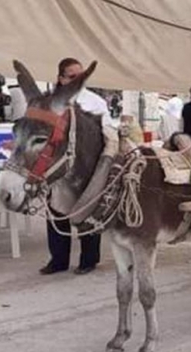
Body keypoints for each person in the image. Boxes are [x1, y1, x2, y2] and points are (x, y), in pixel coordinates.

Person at [39, 57, 117, 275]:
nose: (79, 80)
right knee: (55, 212)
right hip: (56, 167)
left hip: (86, 167)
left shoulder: (95, 102)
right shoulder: (48, 102)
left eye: (82, 76)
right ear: (61, 79)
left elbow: (107, 132)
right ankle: (58, 260)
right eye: (73, 76)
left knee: (87, 210)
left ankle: (88, 260)